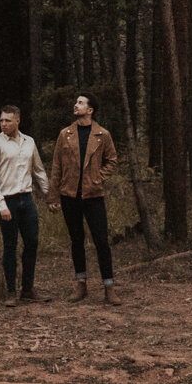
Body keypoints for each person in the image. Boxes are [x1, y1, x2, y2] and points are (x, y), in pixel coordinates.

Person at [47, 92, 121, 304]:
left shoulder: (102, 134)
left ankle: (109, 287)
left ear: (90, 110)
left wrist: (99, 178)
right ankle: (81, 285)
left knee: (101, 241)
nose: (75, 105)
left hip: (93, 195)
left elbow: (112, 161)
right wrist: (53, 195)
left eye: (80, 103)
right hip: (69, 195)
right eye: (76, 102)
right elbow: (56, 166)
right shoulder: (65, 134)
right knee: (76, 240)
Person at [0, 102, 49, 303]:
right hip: (7, 201)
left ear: (17, 121)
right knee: (10, 245)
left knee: (31, 243)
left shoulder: (29, 142)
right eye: (1, 120)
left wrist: (49, 195)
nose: (3, 124)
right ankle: (11, 292)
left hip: (26, 200)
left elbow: (38, 170)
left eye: (8, 120)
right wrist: (1, 205)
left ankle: (27, 290)